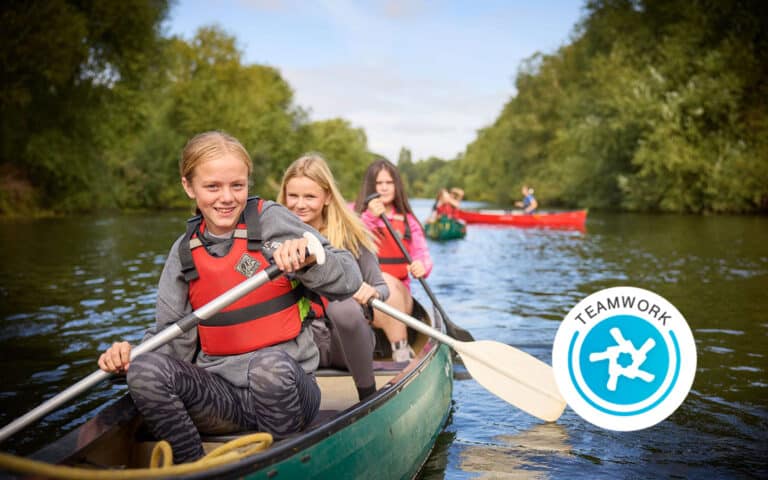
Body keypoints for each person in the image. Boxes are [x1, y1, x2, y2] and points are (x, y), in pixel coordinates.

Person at [97, 131, 362, 463]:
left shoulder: (271, 219)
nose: (227, 197)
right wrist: (131, 355)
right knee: (145, 370)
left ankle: (283, 463)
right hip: (222, 397)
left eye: (237, 185)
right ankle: (192, 467)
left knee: (268, 369)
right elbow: (171, 341)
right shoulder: (184, 252)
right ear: (188, 187)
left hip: (287, 389)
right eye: (212, 187)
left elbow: (350, 278)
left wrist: (310, 259)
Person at [277, 153, 388, 401]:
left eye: (310, 196)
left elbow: (381, 286)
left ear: (327, 197)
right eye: (292, 196)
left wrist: (374, 292)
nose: (299, 204)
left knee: (343, 309)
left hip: (344, 345)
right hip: (299, 341)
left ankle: (368, 397)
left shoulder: (352, 234)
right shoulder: (273, 237)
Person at [353, 158, 433, 363]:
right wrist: (371, 216)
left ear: (397, 186)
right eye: (379, 184)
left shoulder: (409, 221)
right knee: (378, 282)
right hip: (361, 295)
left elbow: (422, 253)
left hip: (399, 295)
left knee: (386, 282)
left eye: (389, 183)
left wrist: (421, 265)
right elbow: (351, 239)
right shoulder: (354, 214)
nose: (384, 188)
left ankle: (401, 350)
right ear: (370, 186)